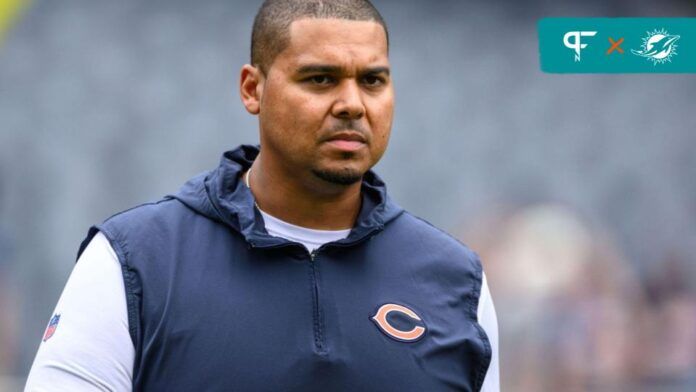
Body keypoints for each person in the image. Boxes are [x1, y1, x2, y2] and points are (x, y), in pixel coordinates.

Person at [25, 0, 499, 390]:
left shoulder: (457, 282)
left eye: (372, 80)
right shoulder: (135, 261)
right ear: (254, 89)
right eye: (321, 79)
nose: (353, 104)